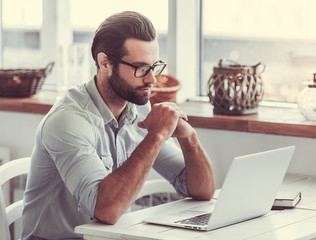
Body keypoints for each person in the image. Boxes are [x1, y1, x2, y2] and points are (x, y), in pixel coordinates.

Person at [21, 11, 215, 239]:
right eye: (141, 68)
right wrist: (157, 135)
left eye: (155, 67)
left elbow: (202, 191)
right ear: (104, 63)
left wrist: (188, 136)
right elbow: (106, 210)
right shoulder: (68, 121)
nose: (152, 79)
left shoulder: (139, 109)